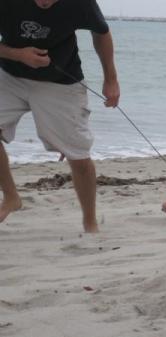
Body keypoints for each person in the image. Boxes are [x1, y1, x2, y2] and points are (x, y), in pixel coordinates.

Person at [0, 0, 120, 232]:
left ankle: (90, 223)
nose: (45, 2)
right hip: (10, 76)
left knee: (79, 156)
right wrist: (17, 55)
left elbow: (101, 32)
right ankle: (11, 197)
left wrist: (111, 79)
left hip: (61, 83)